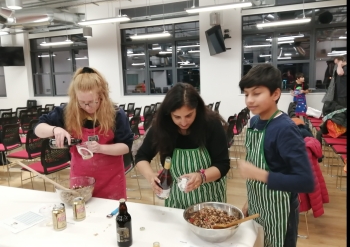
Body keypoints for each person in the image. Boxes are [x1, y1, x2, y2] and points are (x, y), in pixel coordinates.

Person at [237, 64, 314, 247]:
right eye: (246, 94)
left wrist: (259, 175)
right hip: (258, 206)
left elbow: (306, 182)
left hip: (281, 212)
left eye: (256, 93)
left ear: (275, 94)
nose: (249, 100)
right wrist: (250, 201)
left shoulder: (285, 129)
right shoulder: (255, 122)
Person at [34, 67, 133, 200]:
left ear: (102, 96)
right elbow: (38, 129)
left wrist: (100, 148)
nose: (87, 107)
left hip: (111, 179)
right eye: (82, 102)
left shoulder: (116, 114)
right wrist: (55, 129)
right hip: (81, 179)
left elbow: (126, 146)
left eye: (92, 102)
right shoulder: (68, 111)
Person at [135, 83, 230, 209]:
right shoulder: (162, 127)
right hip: (177, 198)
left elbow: (222, 165)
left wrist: (201, 177)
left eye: (189, 115)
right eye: (177, 117)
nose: (183, 122)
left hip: (209, 198)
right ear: (169, 114)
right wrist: (150, 176)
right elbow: (141, 156)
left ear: (197, 109)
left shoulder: (211, 125)